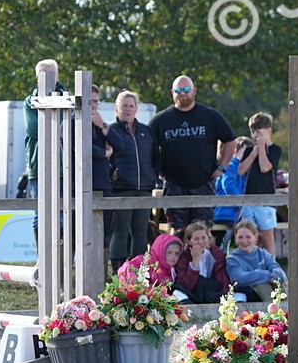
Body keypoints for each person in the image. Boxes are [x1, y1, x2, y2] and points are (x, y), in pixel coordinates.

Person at [148, 75, 237, 235]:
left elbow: (230, 141)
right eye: (179, 90)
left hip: (204, 184)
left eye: (187, 89)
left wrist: (222, 167)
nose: (183, 93)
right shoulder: (160, 121)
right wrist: (157, 168)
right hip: (174, 185)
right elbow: (148, 147)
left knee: (202, 234)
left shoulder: (211, 116)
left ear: (194, 91)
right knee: (178, 234)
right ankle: (180, 261)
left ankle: (202, 261)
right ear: (172, 93)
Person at [106, 90, 160, 273]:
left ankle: (138, 271)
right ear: (117, 109)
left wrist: (153, 175)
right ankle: (118, 271)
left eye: (131, 105)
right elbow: (104, 159)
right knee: (120, 230)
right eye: (124, 106)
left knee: (140, 231)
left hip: (144, 188)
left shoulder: (146, 131)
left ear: (136, 108)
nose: (127, 109)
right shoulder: (111, 131)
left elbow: (156, 157)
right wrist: (112, 172)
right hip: (121, 188)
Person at [24, 59, 63, 240]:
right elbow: (35, 129)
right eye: (43, 74)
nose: (47, 78)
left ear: (57, 76)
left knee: (63, 215)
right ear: (36, 77)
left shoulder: (67, 98)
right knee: (40, 215)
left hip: (64, 168)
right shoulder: (29, 102)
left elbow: (71, 128)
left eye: (51, 74)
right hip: (38, 167)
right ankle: (42, 260)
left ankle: (62, 262)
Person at [237, 112, 282, 256]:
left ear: (268, 130)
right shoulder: (249, 149)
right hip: (249, 201)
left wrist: (262, 148)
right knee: (249, 237)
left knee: (267, 237)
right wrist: (254, 152)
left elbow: (265, 167)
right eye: (253, 131)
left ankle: (271, 268)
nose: (256, 134)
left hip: (266, 202)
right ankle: (251, 266)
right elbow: (241, 170)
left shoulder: (275, 150)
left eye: (259, 130)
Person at [226, 219, 288, 303]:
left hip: (270, 284)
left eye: (248, 237)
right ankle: (270, 313)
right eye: (240, 237)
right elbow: (239, 278)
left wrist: (276, 274)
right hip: (247, 290)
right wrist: (267, 275)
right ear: (236, 238)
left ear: (255, 237)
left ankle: (287, 311)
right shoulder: (232, 259)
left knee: (278, 283)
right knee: (262, 284)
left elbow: (276, 268)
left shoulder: (262, 253)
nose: (244, 241)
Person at [87, 85, 117, 248]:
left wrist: (103, 125)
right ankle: (69, 273)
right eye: (89, 101)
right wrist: (105, 154)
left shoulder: (100, 126)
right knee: (76, 237)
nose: (93, 105)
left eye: (96, 102)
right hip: (80, 189)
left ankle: (102, 274)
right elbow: (83, 149)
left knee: (105, 236)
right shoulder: (69, 122)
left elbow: (120, 145)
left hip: (103, 187)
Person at [172, 220, 230, 304]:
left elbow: (223, 279)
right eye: (196, 239)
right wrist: (195, 261)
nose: (200, 242)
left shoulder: (216, 254)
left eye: (203, 238)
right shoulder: (184, 257)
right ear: (189, 241)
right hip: (192, 293)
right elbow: (186, 285)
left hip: (210, 292)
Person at [118, 232, 182, 288]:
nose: (173, 256)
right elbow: (128, 268)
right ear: (160, 250)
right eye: (169, 252)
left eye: (177, 253)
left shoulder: (173, 270)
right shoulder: (146, 261)